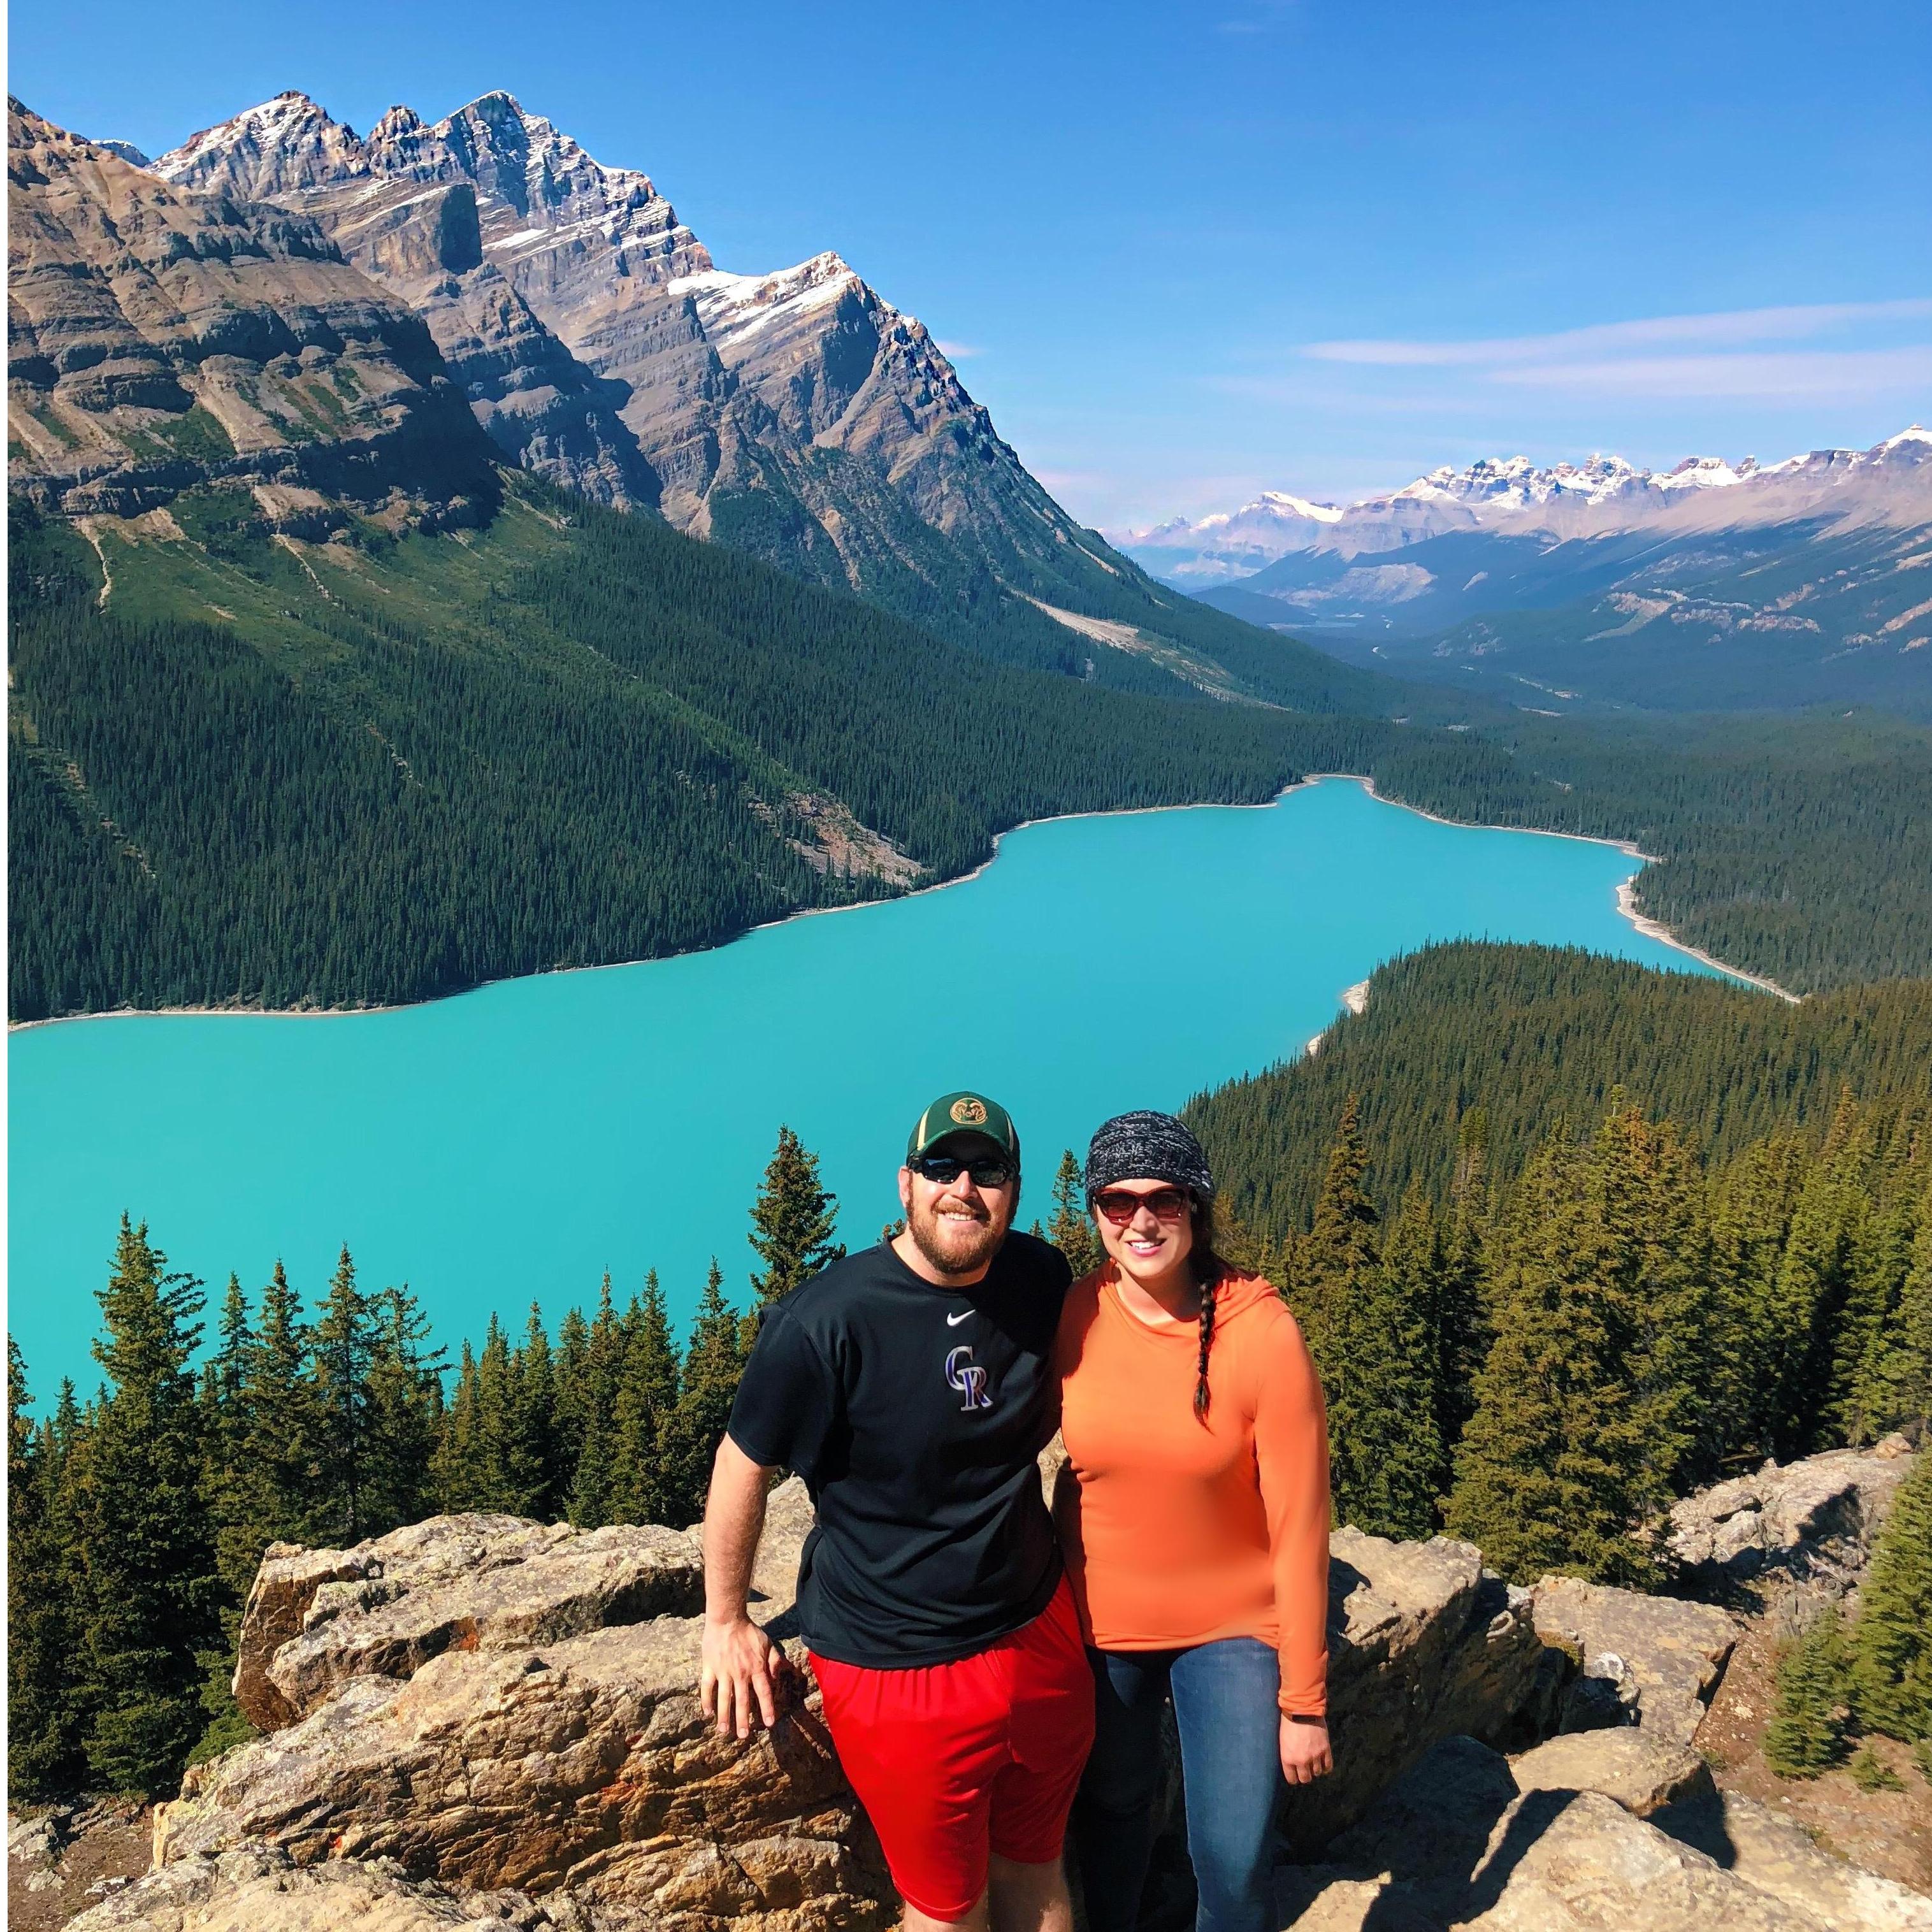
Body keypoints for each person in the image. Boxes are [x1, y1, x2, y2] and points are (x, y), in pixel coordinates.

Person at [700, 1092, 1093, 1932]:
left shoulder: (1039, 1278)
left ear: (1014, 1189)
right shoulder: (825, 1323)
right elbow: (741, 1464)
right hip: (898, 1665)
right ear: (905, 1186)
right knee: (946, 1908)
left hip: (1038, 1627)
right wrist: (725, 1620)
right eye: (941, 1168)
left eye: (986, 1170)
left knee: (1038, 1866)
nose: (963, 1188)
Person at [1055, 1111, 1331, 1932]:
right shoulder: (1073, 1315)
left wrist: (1306, 1699)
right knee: (1108, 1822)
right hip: (1101, 1627)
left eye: (1164, 1198)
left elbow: (1301, 1522)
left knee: (1237, 1854)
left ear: (1196, 1204)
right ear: (1096, 1212)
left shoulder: (1261, 1329)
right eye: (1116, 1200)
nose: (1140, 1220)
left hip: (1236, 1626)